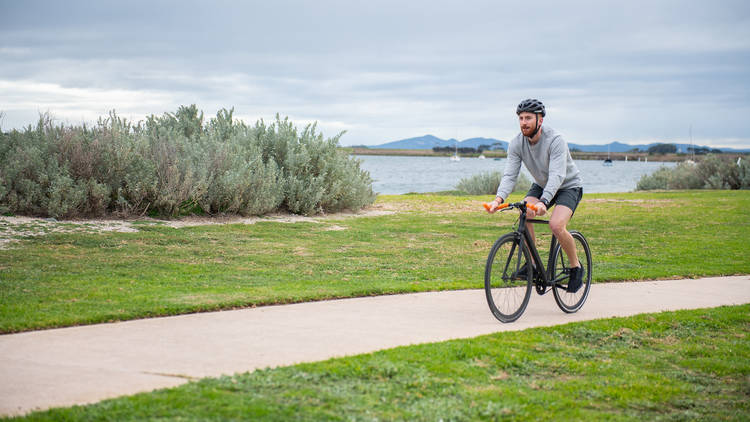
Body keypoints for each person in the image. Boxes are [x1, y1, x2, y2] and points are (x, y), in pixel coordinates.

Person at [486, 99, 584, 292]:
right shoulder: (516, 143)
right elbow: (510, 175)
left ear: (540, 120)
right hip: (540, 185)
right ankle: (532, 265)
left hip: (568, 186)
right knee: (525, 212)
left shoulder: (556, 140)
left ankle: (576, 267)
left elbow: (557, 175)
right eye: (521, 118)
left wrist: (544, 201)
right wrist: (498, 199)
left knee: (556, 225)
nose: (524, 122)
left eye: (528, 118)